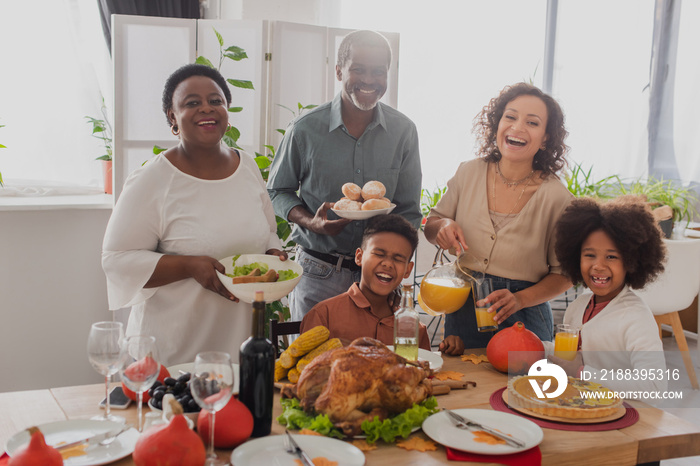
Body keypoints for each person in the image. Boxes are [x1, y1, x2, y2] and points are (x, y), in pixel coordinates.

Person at [102, 64, 286, 366]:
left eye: (215, 100)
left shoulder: (247, 166)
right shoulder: (153, 180)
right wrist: (188, 266)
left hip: (238, 343)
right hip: (173, 350)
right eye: (192, 103)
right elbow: (115, 260)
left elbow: (266, 230)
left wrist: (272, 250)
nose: (206, 108)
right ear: (172, 117)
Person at [267, 30, 422, 322]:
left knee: (376, 365)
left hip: (379, 279)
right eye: (358, 69)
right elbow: (278, 191)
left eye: (378, 71)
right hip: (318, 274)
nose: (369, 80)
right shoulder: (305, 129)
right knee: (311, 365)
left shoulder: (404, 131)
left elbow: (409, 210)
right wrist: (311, 222)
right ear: (339, 71)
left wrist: (395, 268)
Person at [425, 82, 573, 354]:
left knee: (520, 392)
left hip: (523, 316)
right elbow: (432, 225)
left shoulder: (557, 197)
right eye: (510, 116)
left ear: (546, 138)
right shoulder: (468, 173)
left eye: (532, 122)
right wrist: (443, 226)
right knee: (464, 389)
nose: (517, 127)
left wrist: (519, 299)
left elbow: (565, 274)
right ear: (496, 124)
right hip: (463, 308)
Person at [549, 195, 668, 393]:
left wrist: (581, 372)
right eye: (589, 255)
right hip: (580, 406)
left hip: (622, 415)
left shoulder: (635, 316)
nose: (598, 266)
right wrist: (532, 345)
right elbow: (567, 354)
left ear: (631, 262)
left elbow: (655, 386)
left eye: (611, 257)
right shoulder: (578, 306)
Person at [300, 214, 430, 350]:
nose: (388, 264)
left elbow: (425, 369)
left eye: (398, 259)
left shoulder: (414, 330)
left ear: (408, 270)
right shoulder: (323, 316)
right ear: (359, 257)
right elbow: (305, 369)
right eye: (379, 254)